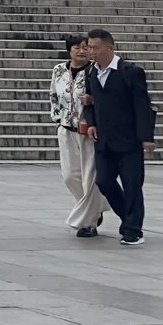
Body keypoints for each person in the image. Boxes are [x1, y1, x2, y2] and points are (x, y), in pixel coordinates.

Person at [83, 28, 157, 246]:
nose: (91, 52)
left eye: (95, 48)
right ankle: (129, 218)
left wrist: (146, 137)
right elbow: (90, 103)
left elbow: (142, 106)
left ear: (110, 48)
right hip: (103, 140)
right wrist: (91, 123)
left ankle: (133, 230)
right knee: (104, 182)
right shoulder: (91, 73)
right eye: (89, 48)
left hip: (129, 139)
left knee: (132, 184)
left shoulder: (130, 72)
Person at [54, 35, 106, 237]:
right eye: (77, 47)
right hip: (65, 128)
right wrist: (57, 118)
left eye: (85, 47)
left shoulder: (95, 71)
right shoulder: (58, 70)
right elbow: (54, 95)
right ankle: (97, 205)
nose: (82, 51)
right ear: (70, 50)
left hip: (88, 129)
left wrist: (92, 100)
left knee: (89, 177)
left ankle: (88, 223)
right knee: (69, 176)